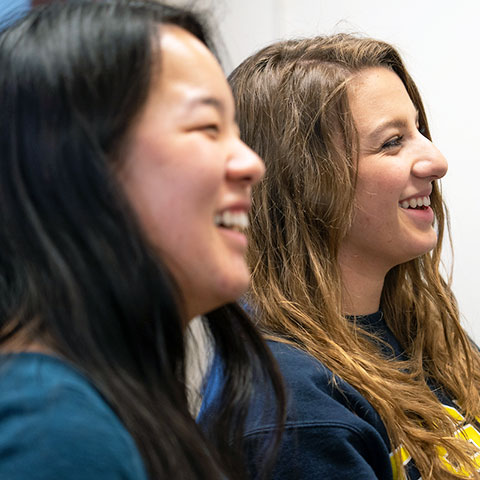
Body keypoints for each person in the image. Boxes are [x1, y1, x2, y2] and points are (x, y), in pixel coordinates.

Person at [0, 1, 285, 479]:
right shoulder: (51, 431)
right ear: (73, 167)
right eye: (206, 127)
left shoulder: (105, 403)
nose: (252, 164)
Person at [199, 34, 480, 479]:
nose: (436, 159)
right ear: (302, 181)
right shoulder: (292, 410)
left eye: (419, 131)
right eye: (392, 142)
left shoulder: (423, 334)